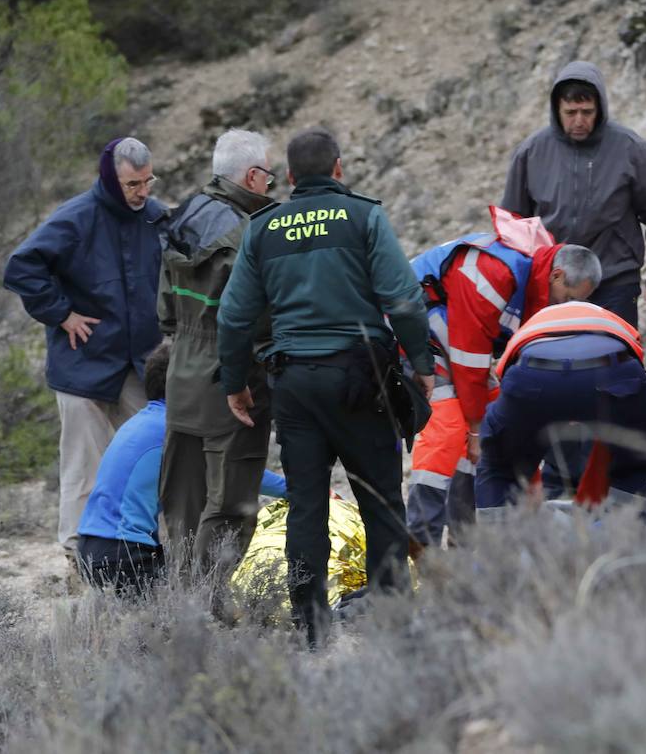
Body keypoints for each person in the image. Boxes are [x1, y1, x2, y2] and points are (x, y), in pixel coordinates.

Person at [217, 127, 434, 647]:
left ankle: (311, 627)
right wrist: (422, 362)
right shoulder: (363, 216)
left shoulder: (264, 227)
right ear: (338, 168)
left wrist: (235, 385)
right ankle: (392, 619)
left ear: (289, 177)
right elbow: (403, 299)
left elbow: (233, 316)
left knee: (307, 505)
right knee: (381, 500)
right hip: (362, 381)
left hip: (293, 385)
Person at [3, 137, 166, 560]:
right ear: (110, 178)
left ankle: (158, 550)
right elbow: (22, 266)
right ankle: (78, 560)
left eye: (148, 182)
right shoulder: (75, 217)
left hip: (139, 364)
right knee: (83, 470)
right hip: (84, 362)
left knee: (164, 454)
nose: (142, 192)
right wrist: (62, 314)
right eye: (133, 184)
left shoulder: (156, 217)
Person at [405, 209, 600, 549]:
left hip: (453, 340)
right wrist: (476, 429)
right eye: (569, 299)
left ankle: (468, 543)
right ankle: (419, 546)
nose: (568, 308)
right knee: (451, 424)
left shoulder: (540, 283)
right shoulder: (493, 273)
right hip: (413, 333)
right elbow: (470, 361)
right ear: (556, 276)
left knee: (500, 422)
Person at [158, 129, 277, 581]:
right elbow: (256, 316)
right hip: (233, 378)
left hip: (180, 370)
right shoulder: (251, 232)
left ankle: (179, 596)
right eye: (268, 175)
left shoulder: (183, 215)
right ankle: (209, 604)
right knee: (230, 498)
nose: (271, 184)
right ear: (251, 176)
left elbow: (165, 312)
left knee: (183, 496)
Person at [78, 343, 286, 594]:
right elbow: (237, 470)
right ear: (186, 385)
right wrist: (294, 490)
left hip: (92, 547)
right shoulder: (176, 430)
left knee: (154, 615)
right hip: (126, 552)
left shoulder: (139, 422)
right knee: (186, 613)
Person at [474, 262, 646, 518]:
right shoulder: (612, 320)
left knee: (500, 464)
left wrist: (520, 458)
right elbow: (636, 369)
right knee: (639, 461)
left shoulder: (531, 325)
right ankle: (630, 537)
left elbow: (506, 382)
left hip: (533, 376)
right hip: (612, 372)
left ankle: (495, 544)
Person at [502, 60, 646, 328]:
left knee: (614, 360)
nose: (579, 121)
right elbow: (512, 224)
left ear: (600, 109)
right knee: (557, 363)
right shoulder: (531, 152)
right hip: (555, 285)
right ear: (557, 109)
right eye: (571, 112)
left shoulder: (629, 148)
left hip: (615, 279)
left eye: (587, 112)